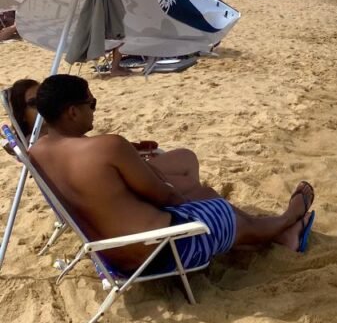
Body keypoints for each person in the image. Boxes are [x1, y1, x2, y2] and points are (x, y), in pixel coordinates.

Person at [29, 75, 315, 274]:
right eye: (90, 104)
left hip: (110, 257)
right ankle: (289, 222)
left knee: (206, 198)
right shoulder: (107, 147)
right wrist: (181, 196)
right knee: (226, 212)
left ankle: (278, 233)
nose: (94, 110)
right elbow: (164, 195)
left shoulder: (35, 155)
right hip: (162, 252)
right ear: (71, 112)